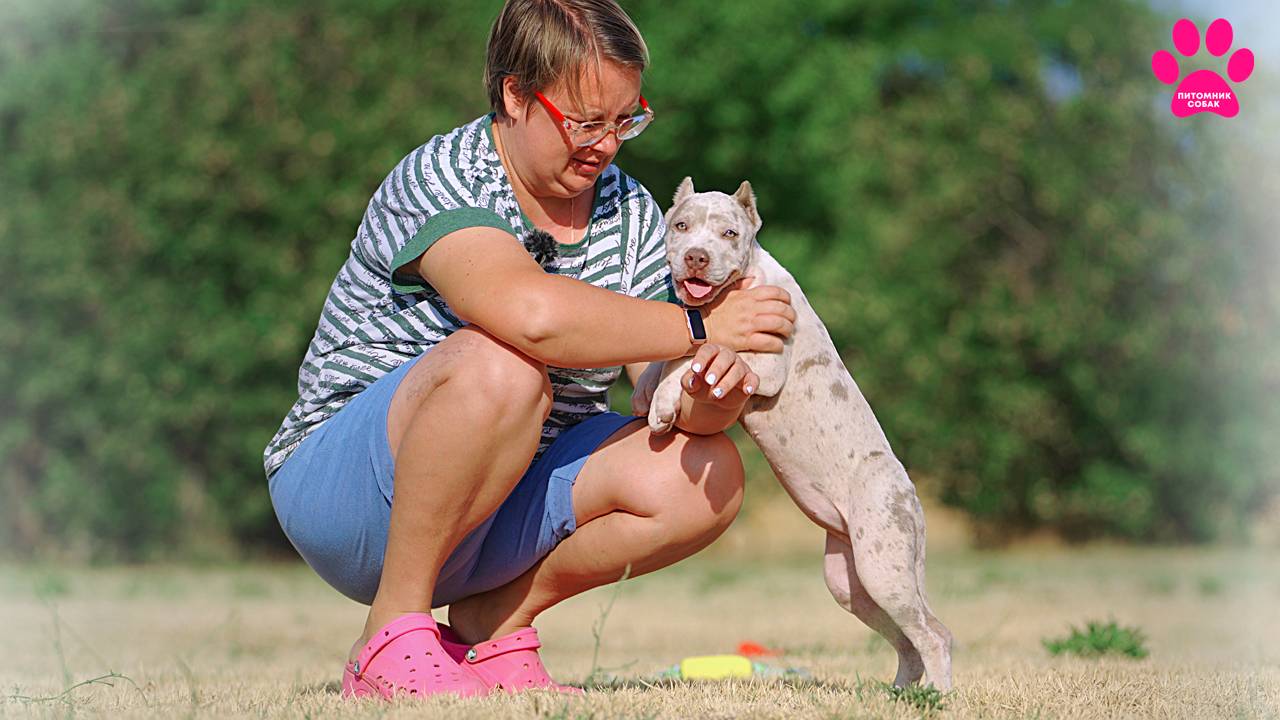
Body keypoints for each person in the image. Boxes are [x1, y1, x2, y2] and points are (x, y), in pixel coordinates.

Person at [264, 0, 795, 700]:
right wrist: (703, 331)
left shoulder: (631, 211)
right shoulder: (444, 175)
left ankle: (493, 625)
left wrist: (706, 388)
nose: (606, 143)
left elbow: (656, 393)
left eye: (626, 120)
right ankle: (390, 634)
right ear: (515, 93)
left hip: (504, 494)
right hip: (349, 488)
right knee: (506, 365)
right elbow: (533, 317)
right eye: (585, 121)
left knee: (709, 472)